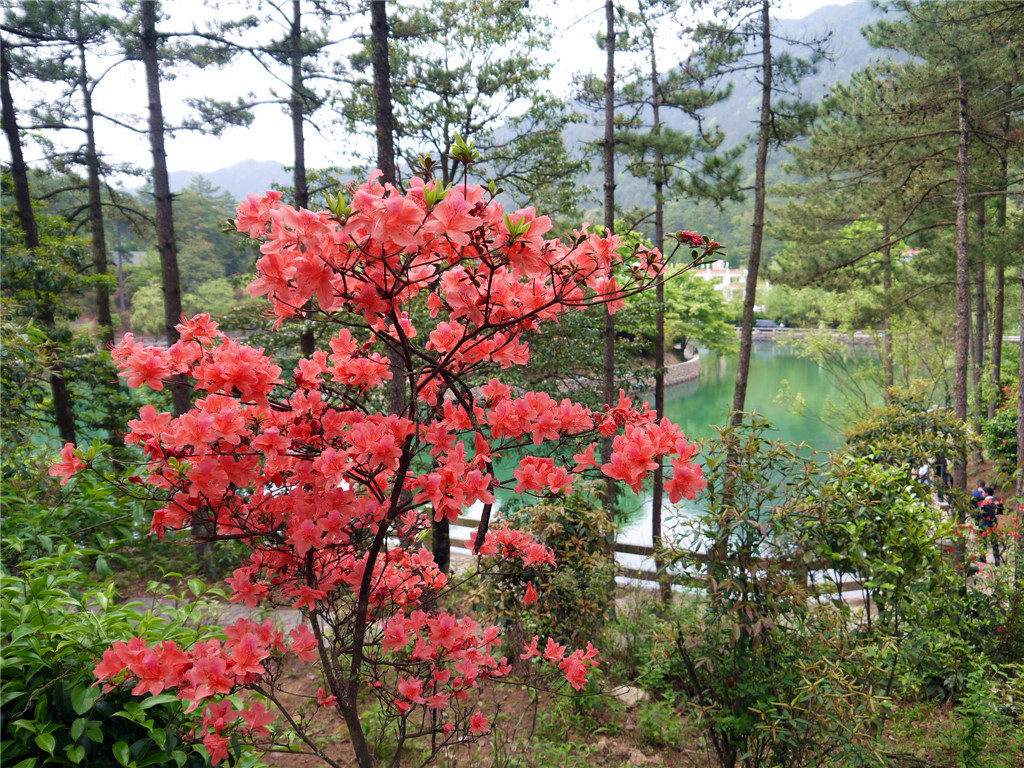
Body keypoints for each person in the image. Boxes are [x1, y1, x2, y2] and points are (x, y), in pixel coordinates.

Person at [977, 487, 1003, 566]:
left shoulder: (983, 502)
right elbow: (1001, 511)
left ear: (987, 493)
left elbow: (978, 512)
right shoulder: (998, 502)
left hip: (984, 523)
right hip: (993, 524)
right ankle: (997, 558)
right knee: (994, 542)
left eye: (983, 492)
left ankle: (983, 557)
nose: (982, 494)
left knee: (983, 541)